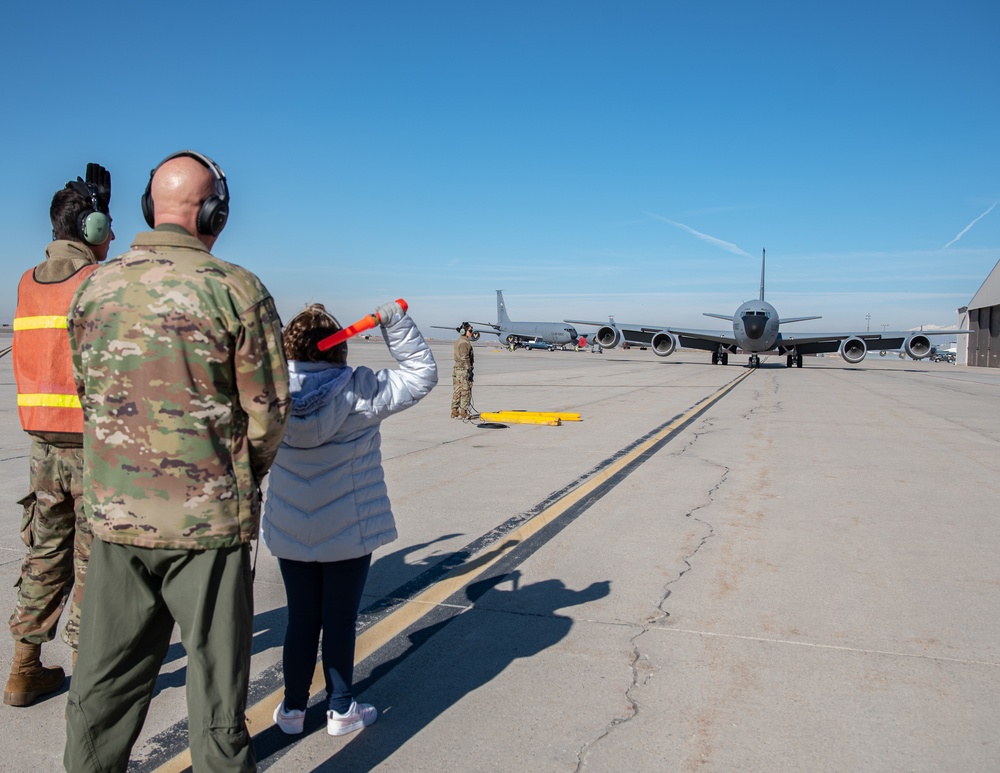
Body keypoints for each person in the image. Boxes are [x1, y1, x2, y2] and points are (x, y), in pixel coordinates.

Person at [63, 150, 290, 772]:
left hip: (116, 519)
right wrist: (238, 476)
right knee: (217, 701)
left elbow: (90, 394)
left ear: (149, 207)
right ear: (213, 211)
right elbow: (268, 412)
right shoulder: (235, 289)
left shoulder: (95, 288)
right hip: (207, 527)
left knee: (102, 691)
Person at [262, 300, 436, 737]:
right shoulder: (361, 390)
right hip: (349, 530)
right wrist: (395, 322)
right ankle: (341, 709)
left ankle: (293, 710)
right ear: (338, 349)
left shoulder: (268, 393)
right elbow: (421, 375)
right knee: (338, 621)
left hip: (290, 529)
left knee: (301, 620)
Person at [6, 163, 114, 708]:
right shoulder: (97, 281)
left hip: (43, 450)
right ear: (93, 230)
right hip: (93, 447)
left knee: (45, 552)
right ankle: (85, 668)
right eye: (108, 225)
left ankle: (24, 667)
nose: (113, 236)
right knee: (93, 560)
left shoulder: (26, 281)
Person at [451, 322, 475, 418]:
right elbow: (464, 357)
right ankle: (464, 412)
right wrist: (469, 368)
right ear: (464, 331)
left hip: (457, 369)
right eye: (470, 331)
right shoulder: (464, 343)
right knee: (465, 390)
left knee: (457, 390)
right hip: (463, 370)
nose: (471, 333)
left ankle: (454, 411)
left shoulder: (459, 341)